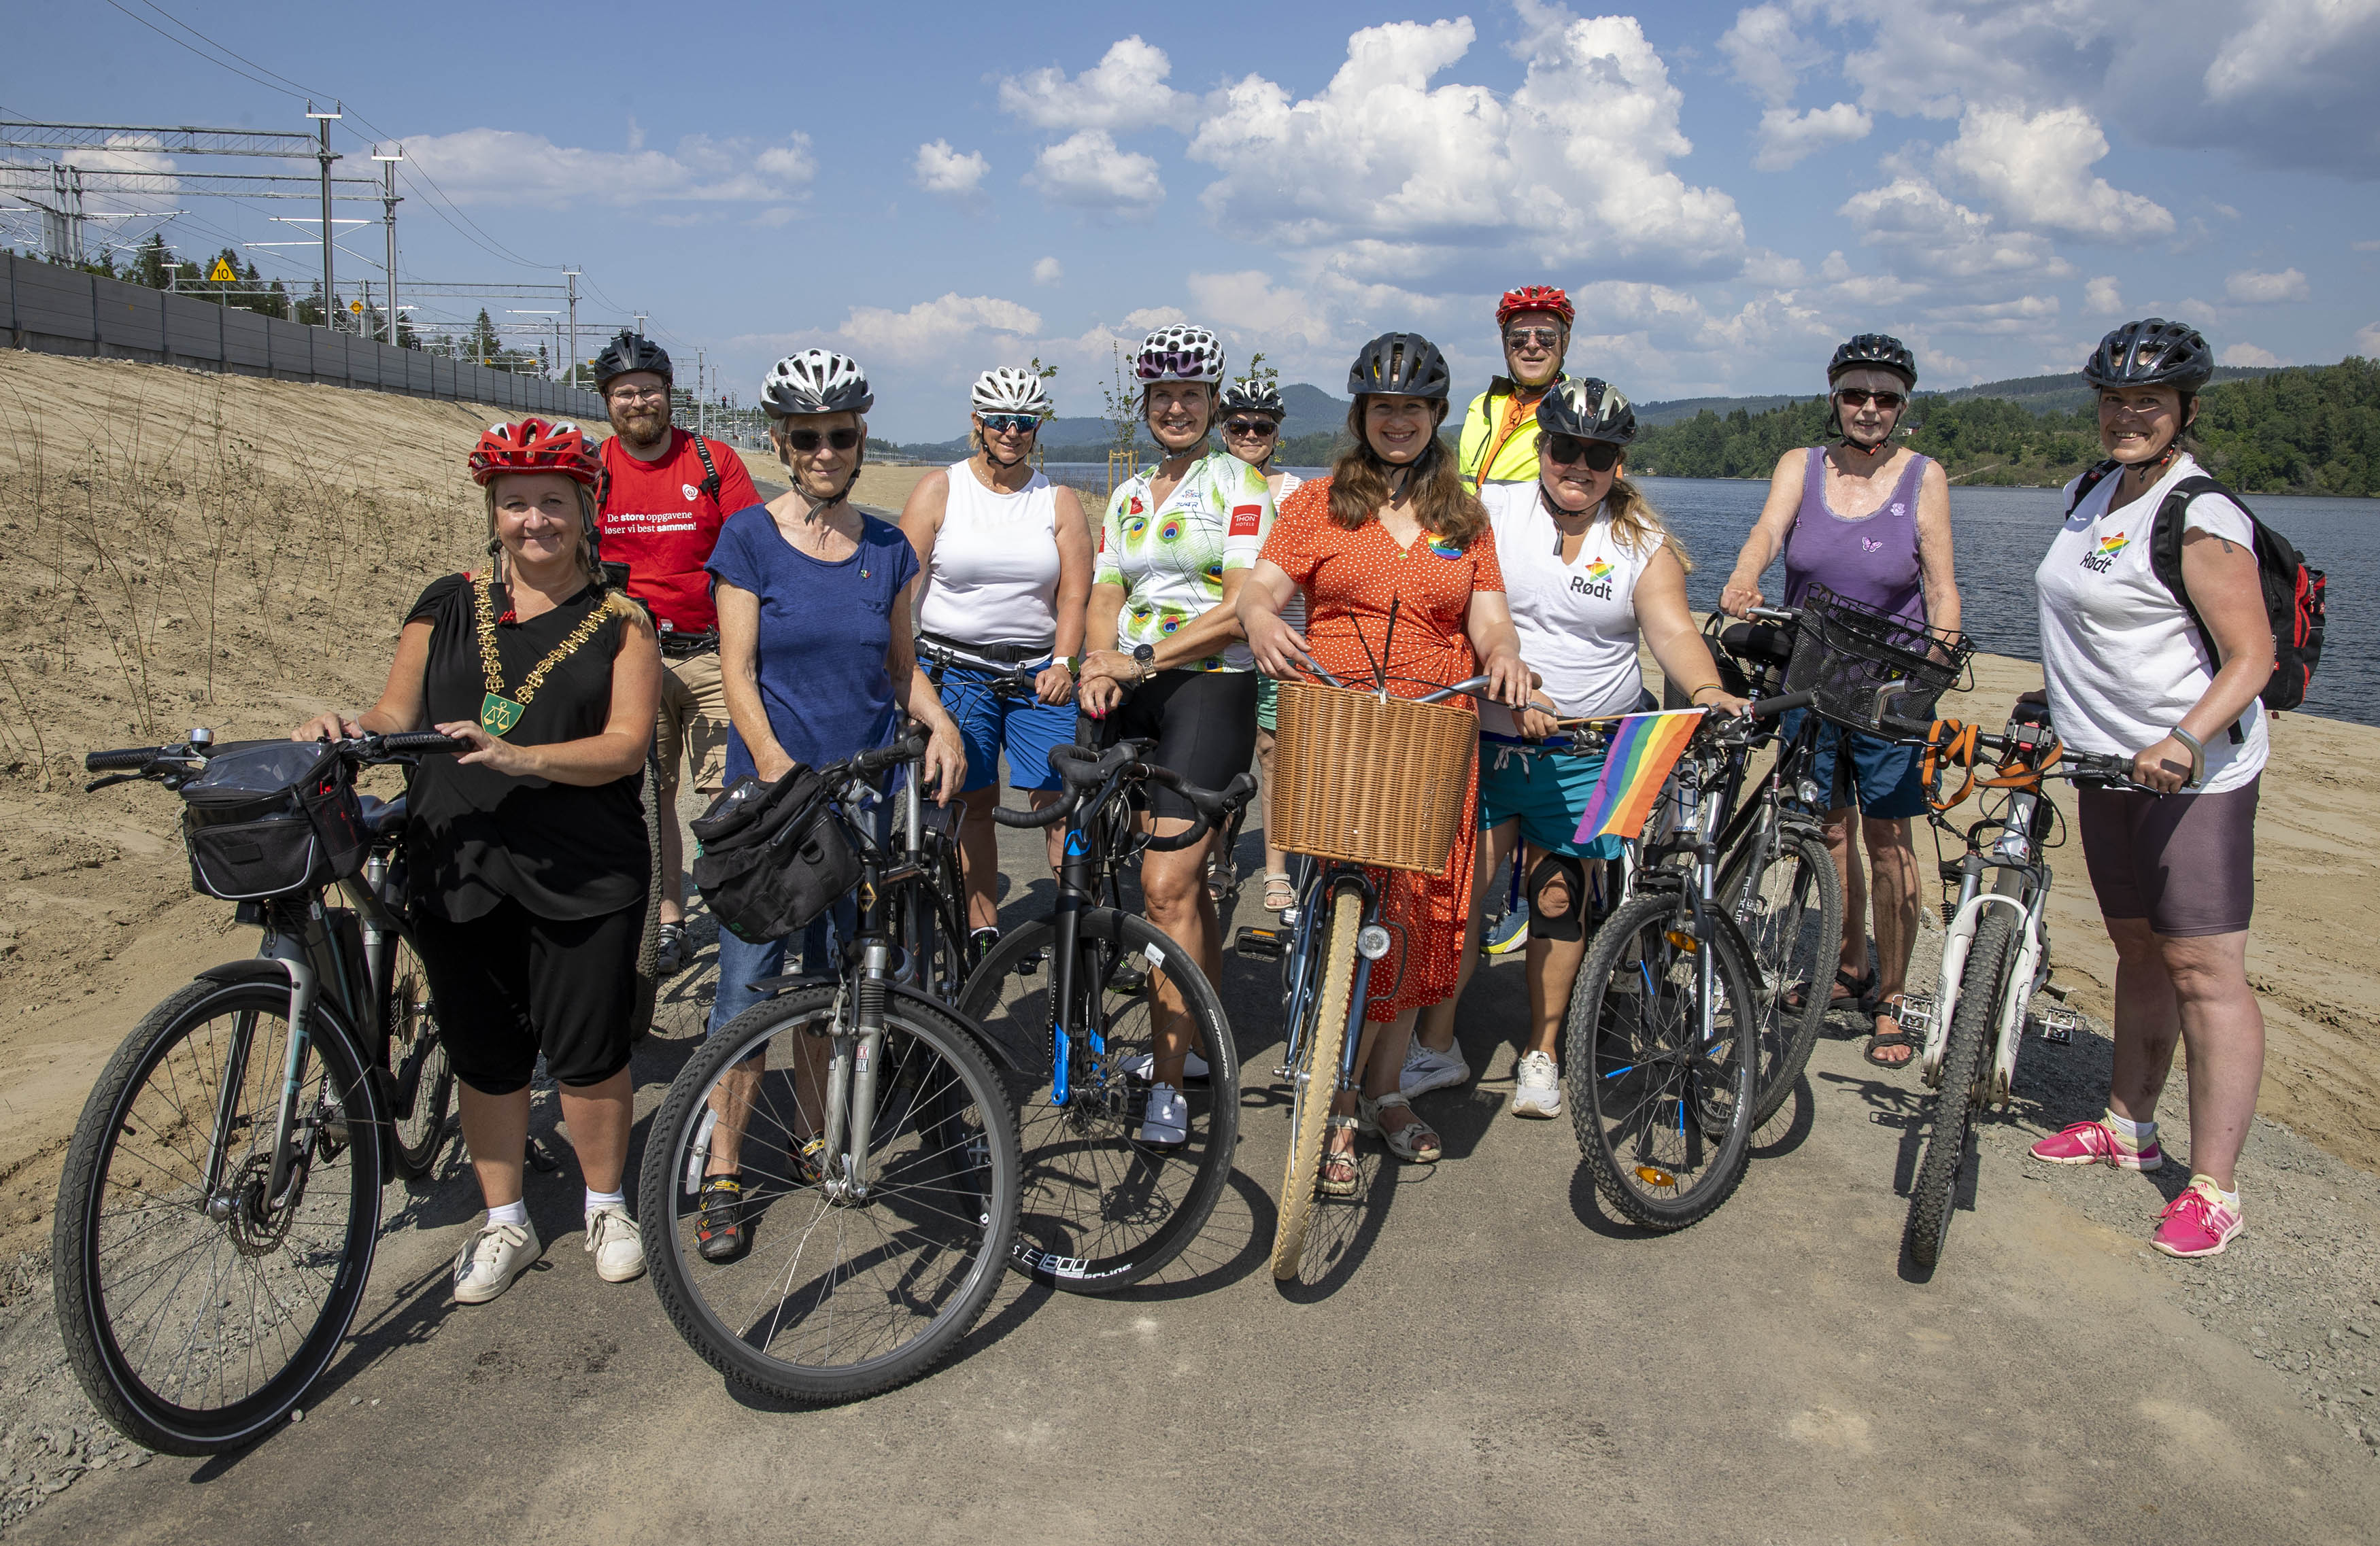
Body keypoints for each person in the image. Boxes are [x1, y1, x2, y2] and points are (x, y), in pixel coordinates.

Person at [294, 418, 662, 1304]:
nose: (534, 521)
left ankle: (605, 1203)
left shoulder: (623, 621)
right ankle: (506, 1220)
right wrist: (345, 726)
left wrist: (524, 759)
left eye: (552, 504)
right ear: (492, 512)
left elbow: (623, 747)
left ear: (585, 509)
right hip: (458, 860)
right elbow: (393, 710)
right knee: (484, 1054)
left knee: (589, 1052)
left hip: (584, 867)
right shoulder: (445, 602)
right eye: (515, 504)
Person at [690, 349, 967, 1262]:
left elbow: (898, 668)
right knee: (746, 988)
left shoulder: (887, 547)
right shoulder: (747, 538)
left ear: (858, 439)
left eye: (837, 435)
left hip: (860, 801)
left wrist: (940, 725)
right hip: (775, 805)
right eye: (804, 437)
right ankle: (724, 1168)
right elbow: (736, 671)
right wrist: (776, 770)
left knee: (834, 980)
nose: (822, 450)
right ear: (780, 442)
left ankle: (815, 1134)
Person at [1240, 332, 1531, 1189]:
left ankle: (1386, 1092)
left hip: (1435, 723)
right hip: (1337, 715)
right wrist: (1259, 616)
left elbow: (1489, 619)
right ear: (1360, 416)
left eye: (1411, 408)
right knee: (1345, 914)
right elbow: (1261, 588)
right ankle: (1331, 1099)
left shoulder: (1462, 515)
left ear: (1435, 415)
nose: (1396, 421)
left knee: (1423, 913)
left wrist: (1506, 656)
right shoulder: (1320, 504)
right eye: (1381, 408)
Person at [1409, 379, 1748, 1114]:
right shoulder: (1489, 512)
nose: (1578, 465)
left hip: (1586, 754)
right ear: (1543, 447)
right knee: (1463, 899)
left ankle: (1542, 1052)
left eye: (1598, 454)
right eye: (1565, 447)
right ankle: (1434, 1046)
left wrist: (1703, 691)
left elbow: (1672, 632)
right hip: (1488, 744)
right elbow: (1446, 599)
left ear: (1616, 464)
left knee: (1557, 896)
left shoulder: (1639, 542)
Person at [2024, 319, 2274, 1260]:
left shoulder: (2201, 514)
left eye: (2150, 402)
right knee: (2136, 946)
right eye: (2116, 400)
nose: (2129, 416)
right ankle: (2129, 1126)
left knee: (2204, 969)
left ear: (2184, 411)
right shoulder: (2089, 492)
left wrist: (2183, 739)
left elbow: (2254, 656)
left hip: (2191, 773)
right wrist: (2052, 702)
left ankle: (2215, 1185)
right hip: (2102, 761)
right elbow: (2099, 628)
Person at [1718, 333, 1960, 1069]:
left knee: (1888, 843)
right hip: (1811, 674)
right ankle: (1845, 967)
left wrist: (1936, 660)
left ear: (1902, 407)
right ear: (1834, 397)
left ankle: (1889, 995)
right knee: (1824, 831)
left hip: (1886, 683)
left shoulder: (1923, 477)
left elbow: (1940, 585)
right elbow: (1768, 529)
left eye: (1884, 397)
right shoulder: (1802, 466)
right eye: (1855, 394)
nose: (1868, 408)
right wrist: (1742, 580)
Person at [1076, 324, 1277, 1144]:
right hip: (1125, 682)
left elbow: (1238, 611)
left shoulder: (1241, 486)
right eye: (1161, 396)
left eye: (1190, 395)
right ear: (1146, 404)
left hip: (1206, 686)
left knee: (1166, 885)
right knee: (1102, 878)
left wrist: (1141, 658)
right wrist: (1098, 658)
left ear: (1212, 402)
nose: (1175, 408)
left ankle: (1168, 1086)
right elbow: (1104, 589)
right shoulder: (1127, 494)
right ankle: (1190, 1042)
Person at [898, 366, 1091, 952]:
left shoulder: (1056, 499)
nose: (1012, 432)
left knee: (1060, 805)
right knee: (970, 803)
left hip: (1037, 673)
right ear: (977, 423)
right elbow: (902, 586)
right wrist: (899, 666)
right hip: (955, 669)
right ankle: (982, 928)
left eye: (1025, 422)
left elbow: (1075, 593)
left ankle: (1076, 928)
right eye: (1001, 421)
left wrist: (1064, 661)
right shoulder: (941, 489)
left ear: (1036, 428)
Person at [592, 330, 762, 976]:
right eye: (624, 393)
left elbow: (752, 549)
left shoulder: (713, 463)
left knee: (728, 791)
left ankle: (733, 913)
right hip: (629, 658)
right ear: (608, 401)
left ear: (670, 395)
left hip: (713, 654)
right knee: (650, 793)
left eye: (650, 391)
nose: (639, 403)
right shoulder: (595, 470)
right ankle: (666, 920)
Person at [1215, 375, 1306, 915]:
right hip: (1220, 645)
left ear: (1276, 434)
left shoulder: (1297, 493)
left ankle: (1275, 868)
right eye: (1239, 425)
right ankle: (1219, 857)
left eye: (1262, 426)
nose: (1251, 434)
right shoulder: (1210, 485)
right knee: (1220, 760)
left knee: (1273, 757)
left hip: (1278, 646)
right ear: (1223, 430)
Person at [1457, 285, 1573, 494]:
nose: (1532, 345)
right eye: (1519, 338)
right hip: (1468, 525)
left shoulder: (1578, 410)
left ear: (1565, 342)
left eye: (1546, 337)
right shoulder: (1482, 405)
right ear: (1505, 343)